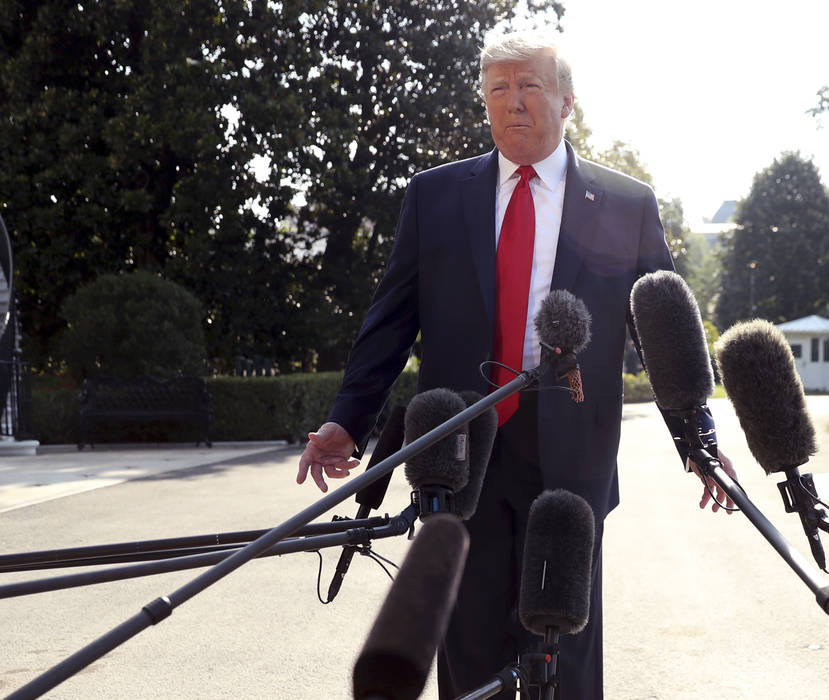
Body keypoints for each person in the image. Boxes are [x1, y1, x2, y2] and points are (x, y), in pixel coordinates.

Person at [296, 30, 736, 699]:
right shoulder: (435, 196)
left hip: (571, 457)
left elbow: (661, 331)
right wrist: (347, 423)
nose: (514, 102)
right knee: (468, 649)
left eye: (529, 85)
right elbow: (389, 323)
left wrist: (697, 440)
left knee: (565, 653)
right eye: (498, 88)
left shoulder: (625, 204)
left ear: (567, 102)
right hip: (460, 451)